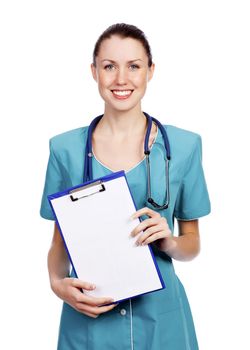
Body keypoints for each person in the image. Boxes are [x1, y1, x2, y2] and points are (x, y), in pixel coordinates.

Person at [40, 23, 211, 350]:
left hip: (163, 319)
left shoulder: (184, 147)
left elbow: (192, 243)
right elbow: (59, 244)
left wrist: (168, 242)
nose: (121, 79)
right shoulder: (64, 150)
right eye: (109, 66)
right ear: (94, 72)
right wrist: (56, 284)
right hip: (89, 316)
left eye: (134, 66)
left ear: (150, 71)